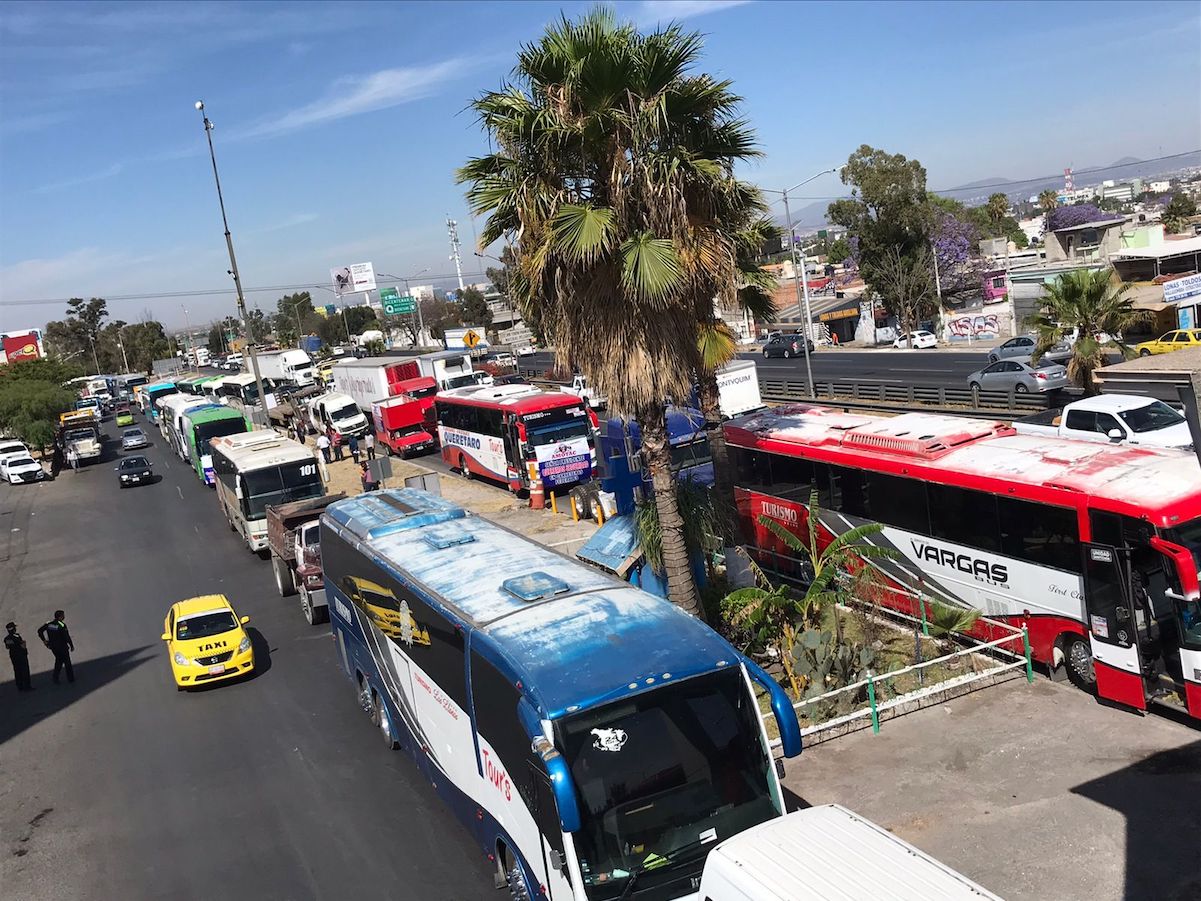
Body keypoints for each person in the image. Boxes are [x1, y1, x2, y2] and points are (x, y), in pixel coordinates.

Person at [37, 610, 74, 684]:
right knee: (67, 663)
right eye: (63, 615)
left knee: (59, 661)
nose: (64, 617)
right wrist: (71, 645)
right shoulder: (62, 625)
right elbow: (66, 637)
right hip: (62, 647)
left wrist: (44, 640)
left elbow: (40, 631)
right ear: (60, 617)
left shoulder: (49, 624)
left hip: (53, 647)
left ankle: (55, 677)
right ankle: (71, 679)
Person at [5, 621, 32, 691]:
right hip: (21, 655)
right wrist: (24, 645)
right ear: (13, 629)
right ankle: (27, 686)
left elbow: (7, 647)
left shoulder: (6, 638)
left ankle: (20, 686)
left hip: (13, 656)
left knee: (17, 670)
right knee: (24, 670)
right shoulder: (16, 636)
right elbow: (22, 645)